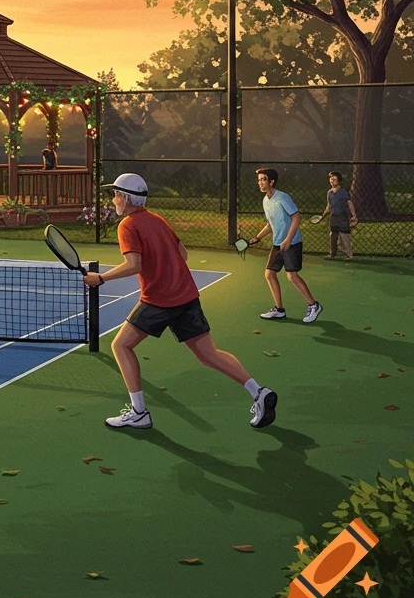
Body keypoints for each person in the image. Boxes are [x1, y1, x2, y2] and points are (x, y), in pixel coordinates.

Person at [82, 173, 276, 431]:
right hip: (186, 296)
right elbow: (182, 254)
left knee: (121, 346)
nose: (114, 198)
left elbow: (134, 264)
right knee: (209, 355)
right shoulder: (158, 220)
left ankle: (139, 413)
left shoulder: (127, 225)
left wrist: (101, 278)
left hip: (159, 300)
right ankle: (258, 392)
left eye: (117, 194)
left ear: (127, 199)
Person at [251, 167, 321, 322]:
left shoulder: (282, 197)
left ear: (272, 181)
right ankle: (279, 310)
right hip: (278, 242)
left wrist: (288, 239)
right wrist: (256, 238)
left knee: (292, 276)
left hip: (292, 241)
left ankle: (314, 305)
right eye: (259, 180)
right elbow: (269, 225)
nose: (260, 183)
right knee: (269, 274)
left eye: (263, 180)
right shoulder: (265, 200)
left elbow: (296, 217)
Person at [321, 170, 357, 260]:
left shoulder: (343, 192)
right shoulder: (329, 193)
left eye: (334, 179)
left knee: (344, 236)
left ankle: (349, 254)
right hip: (333, 217)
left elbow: (349, 203)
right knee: (333, 235)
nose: (332, 181)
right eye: (331, 179)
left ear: (338, 180)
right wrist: (324, 215)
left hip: (343, 217)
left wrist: (354, 215)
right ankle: (333, 254)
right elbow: (329, 206)